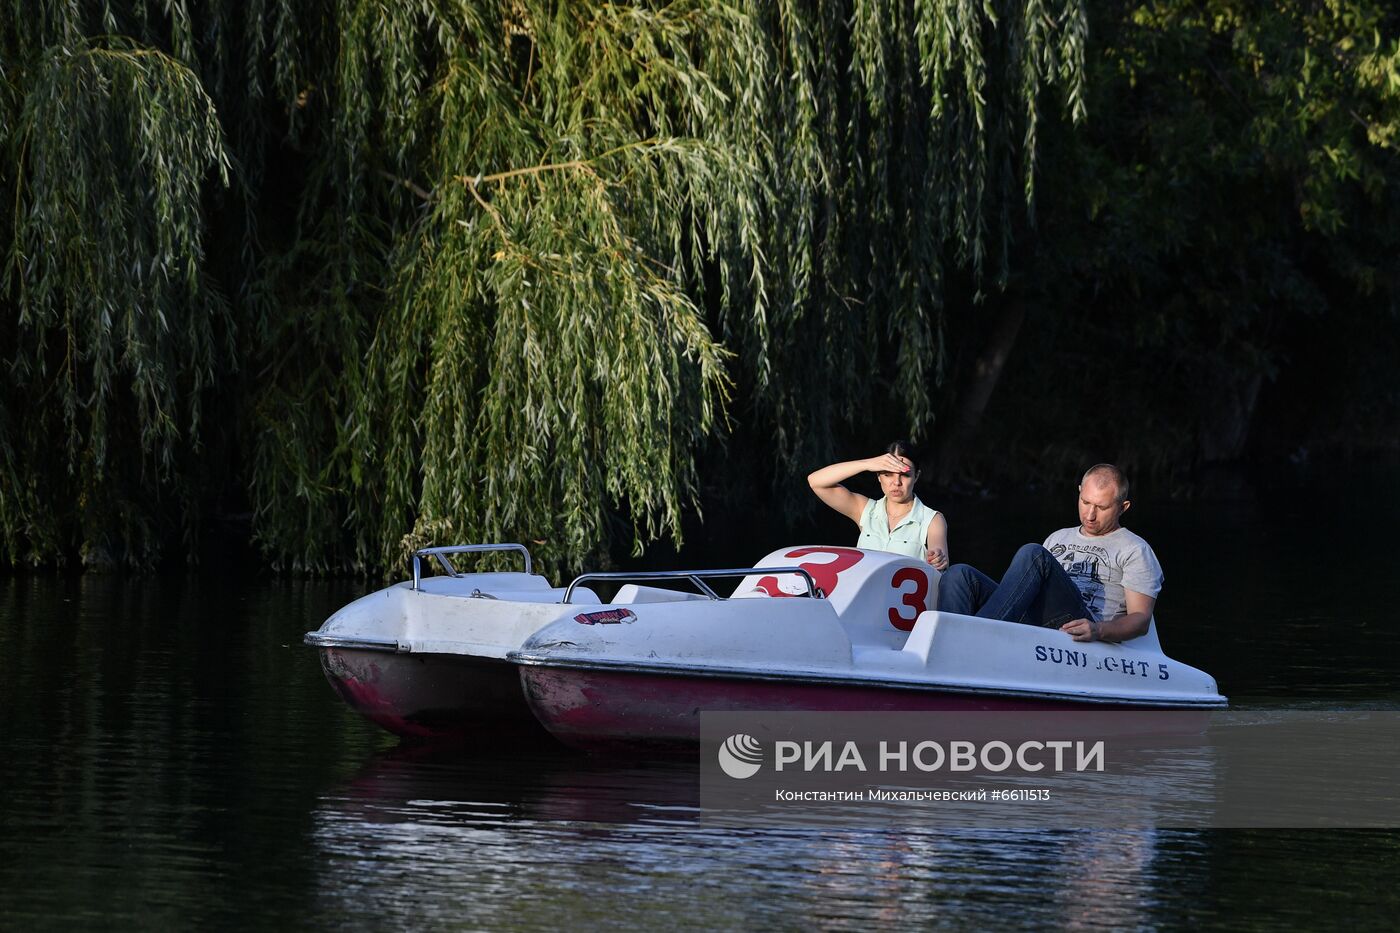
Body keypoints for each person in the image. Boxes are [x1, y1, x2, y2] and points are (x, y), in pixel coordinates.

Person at [937, 464, 1162, 643]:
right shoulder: (1059, 537)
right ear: (1079, 492)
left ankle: (970, 642)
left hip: (1081, 624)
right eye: (1085, 502)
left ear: (1123, 507)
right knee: (960, 575)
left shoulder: (1135, 549)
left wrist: (1098, 630)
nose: (1090, 515)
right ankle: (947, 645)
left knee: (1033, 553)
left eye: (1102, 508)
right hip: (1036, 618)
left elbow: (1140, 620)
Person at [807, 441, 949, 569]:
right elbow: (815, 481)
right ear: (878, 476)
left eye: (905, 475)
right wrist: (867, 464)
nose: (896, 482)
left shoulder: (932, 519)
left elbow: (940, 564)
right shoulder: (865, 510)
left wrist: (937, 558)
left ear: (916, 476)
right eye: (888, 474)